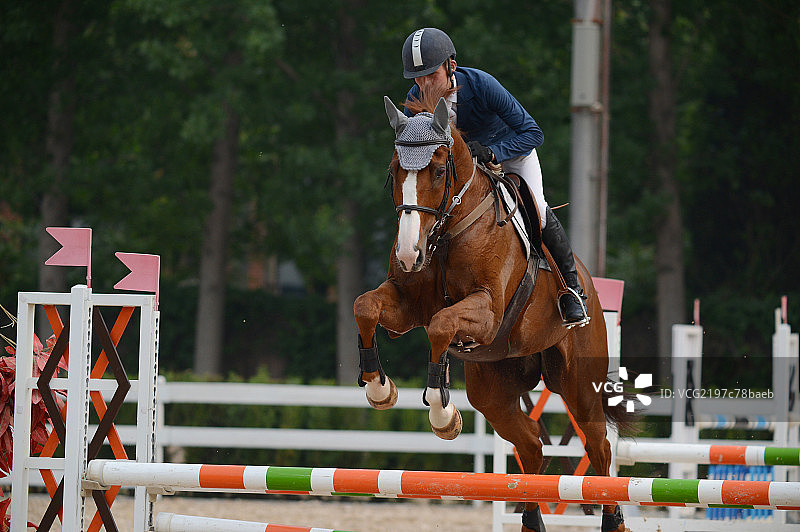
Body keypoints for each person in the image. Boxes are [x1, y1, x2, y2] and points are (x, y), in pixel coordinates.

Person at [400, 27, 588, 326]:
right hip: (464, 173)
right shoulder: (415, 98)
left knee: (537, 210)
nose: (424, 84)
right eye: (417, 78)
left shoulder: (481, 85)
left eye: (430, 75)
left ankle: (572, 290)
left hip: (512, 155)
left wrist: (493, 151)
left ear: (451, 66)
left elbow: (532, 133)